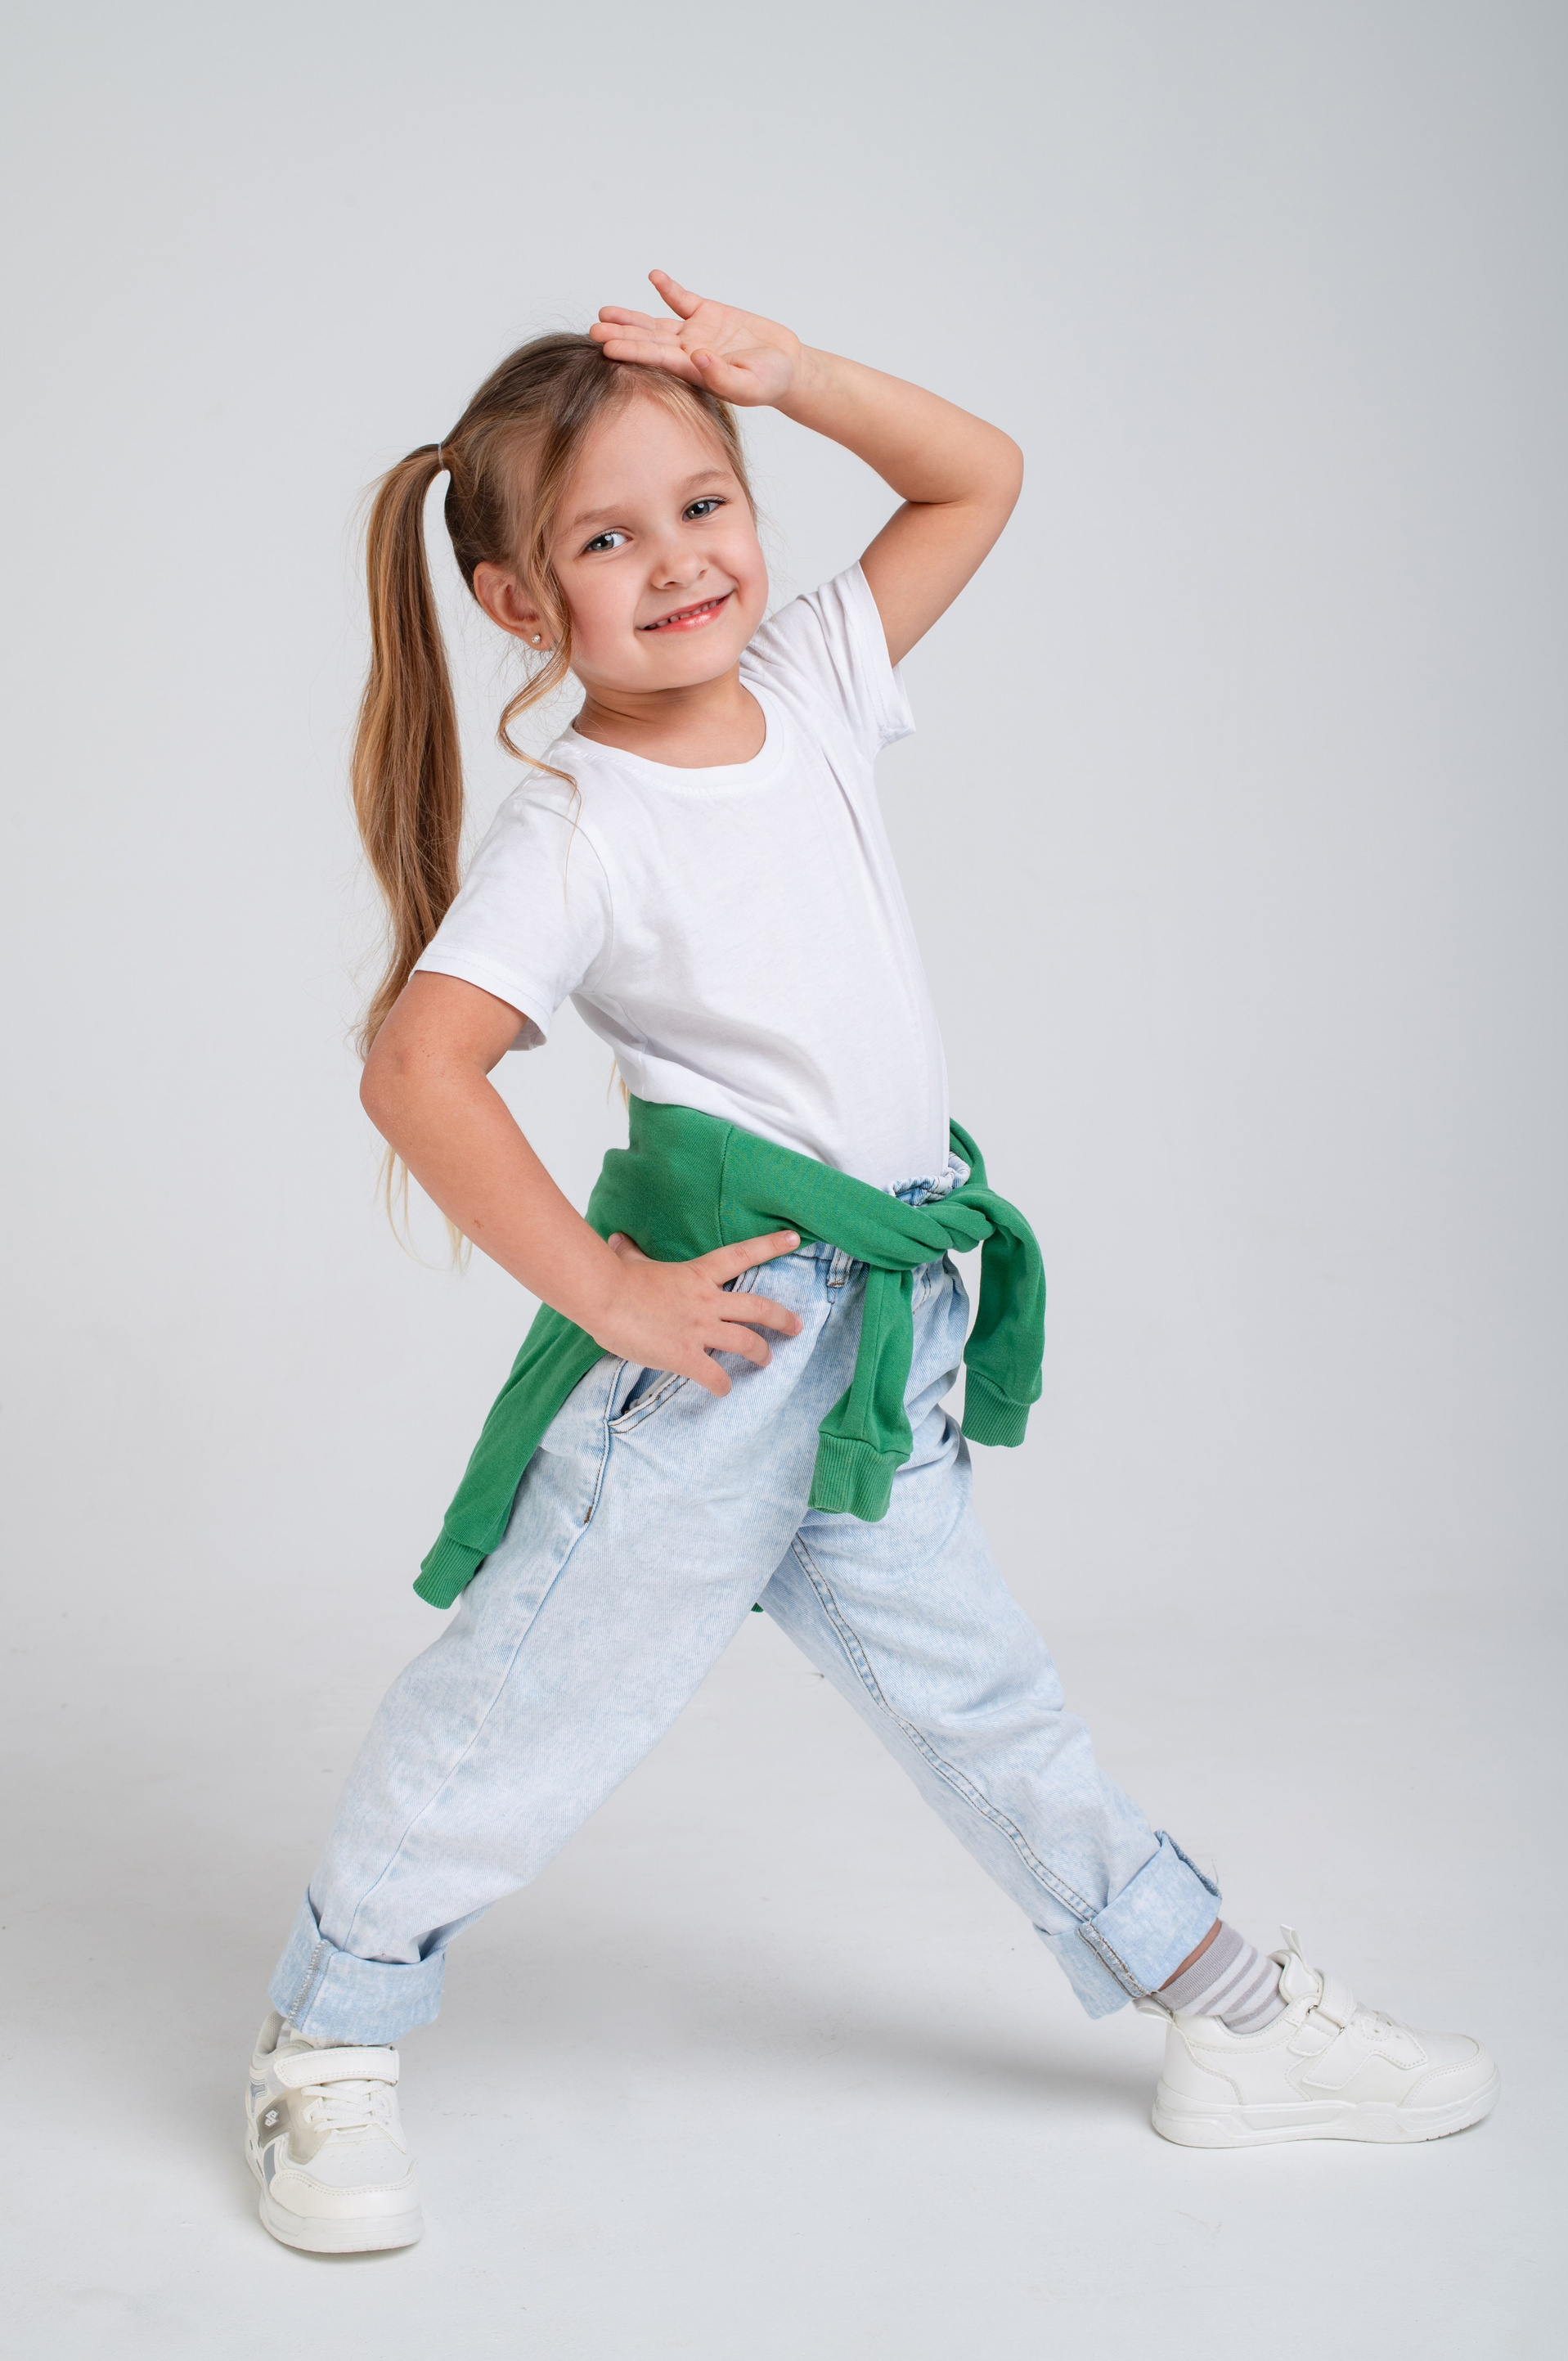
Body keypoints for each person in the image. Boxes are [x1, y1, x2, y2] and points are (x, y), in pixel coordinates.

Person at [245, 273, 1497, 2254]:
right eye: (606, 539)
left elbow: (977, 477)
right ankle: (328, 2037)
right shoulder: (580, 822)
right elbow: (420, 1066)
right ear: (517, 602)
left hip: (879, 1343)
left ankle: (1229, 2016)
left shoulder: (817, 676)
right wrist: (608, 1294)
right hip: (728, 1359)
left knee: (984, 1697)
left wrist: (796, 375)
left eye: (705, 502)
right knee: (525, 1706)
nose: (679, 561)